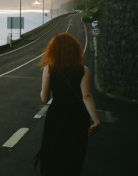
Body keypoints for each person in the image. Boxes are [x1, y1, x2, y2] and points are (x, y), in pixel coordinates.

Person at [35, 32, 100, 176]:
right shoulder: (83, 70)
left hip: (56, 117)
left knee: (53, 155)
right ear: (75, 50)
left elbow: (44, 98)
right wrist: (95, 120)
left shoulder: (49, 69)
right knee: (74, 156)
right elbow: (86, 96)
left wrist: (43, 90)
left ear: (53, 51)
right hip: (78, 117)